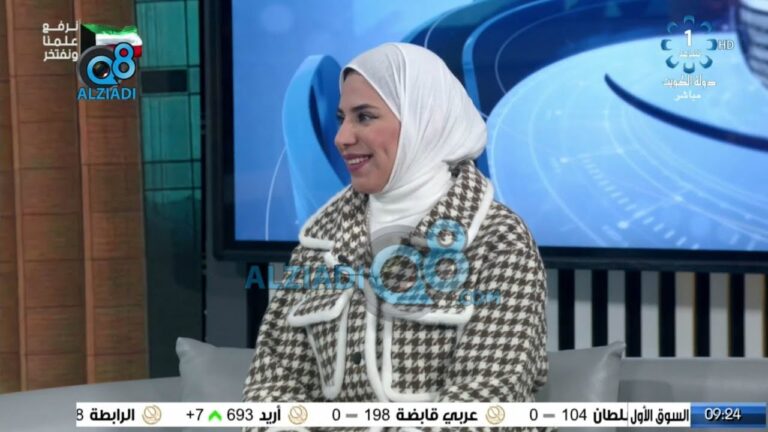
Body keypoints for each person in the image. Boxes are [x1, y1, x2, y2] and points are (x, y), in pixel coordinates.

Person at [243, 42, 549, 432]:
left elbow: (485, 399)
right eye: (341, 118)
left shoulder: (499, 240)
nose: (341, 137)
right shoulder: (318, 243)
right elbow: (272, 382)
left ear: (425, 120)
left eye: (364, 117)